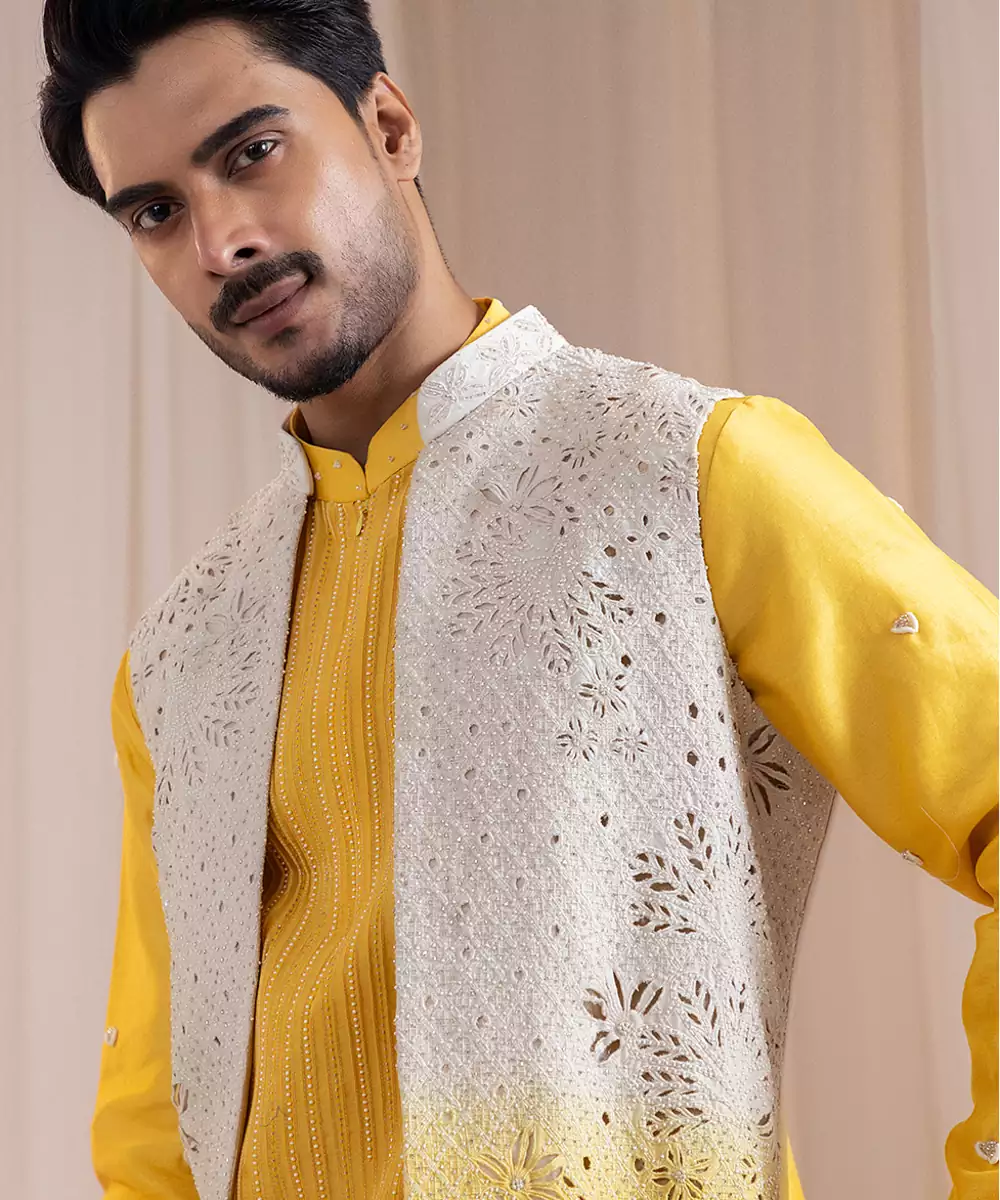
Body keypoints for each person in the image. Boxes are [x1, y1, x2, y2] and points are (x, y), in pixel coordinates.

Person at [38, 3, 997, 1198]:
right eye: (156, 212)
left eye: (252, 152)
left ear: (390, 126)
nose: (222, 240)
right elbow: (155, 1116)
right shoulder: (184, 656)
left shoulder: (683, 472)